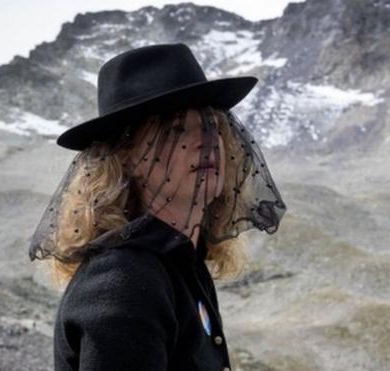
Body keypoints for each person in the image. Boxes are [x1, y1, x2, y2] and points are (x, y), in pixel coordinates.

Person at [27, 43, 287, 371]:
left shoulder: (177, 264)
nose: (203, 142)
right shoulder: (122, 285)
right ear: (126, 156)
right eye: (176, 130)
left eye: (211, 127)